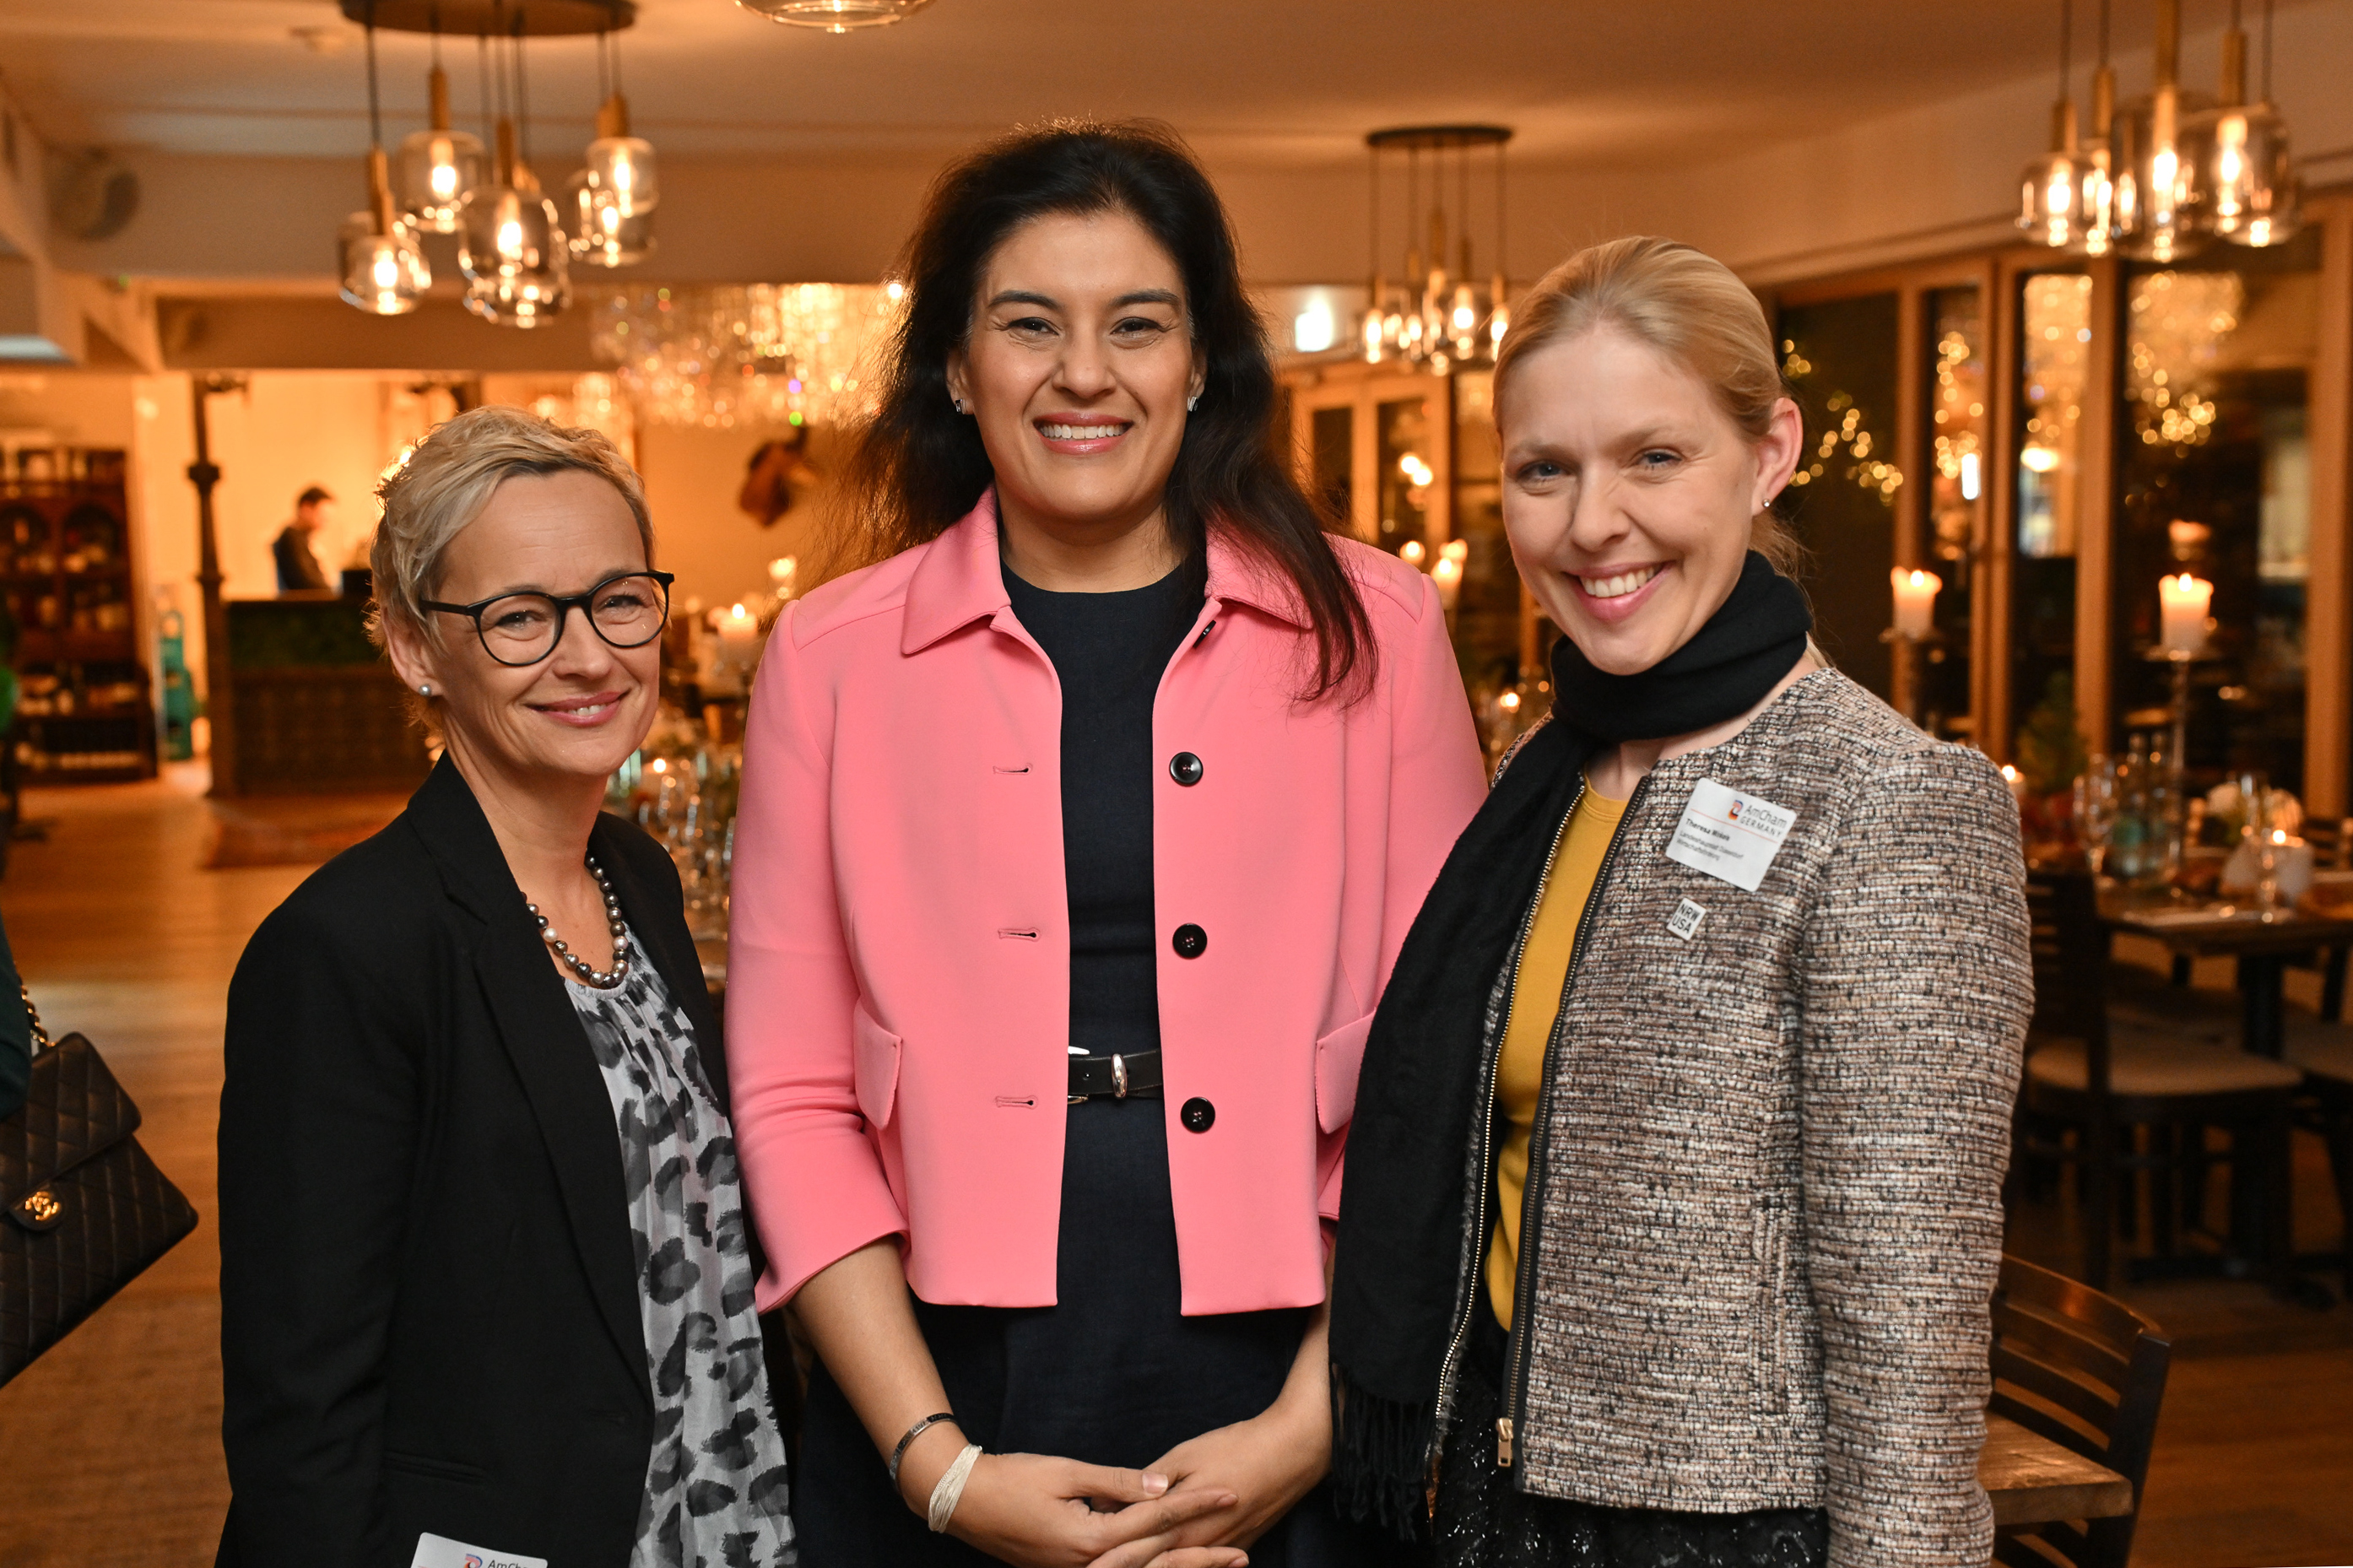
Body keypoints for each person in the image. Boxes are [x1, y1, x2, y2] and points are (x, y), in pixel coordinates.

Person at [726, 121, 1487, 1568]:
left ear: (1200, 364)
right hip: (945, 1364)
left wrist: (1310, 1426)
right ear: (957, 365)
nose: (1085, 372)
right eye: (1029, 324)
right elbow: (789, 1092)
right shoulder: (827, 658)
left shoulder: (1378, 629)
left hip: (1301, 1346)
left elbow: (1438, 1066)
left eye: (1136, 325)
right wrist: (936, 1466)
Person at [1329, 236, 2034, 1568]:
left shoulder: (1889, 801)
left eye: (1654, 457)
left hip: (1727, 1529)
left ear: (1769, 453)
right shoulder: (1553, 764)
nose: (1594, 522)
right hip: (1492, 1490)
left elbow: (1911, 1320)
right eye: (1547, 469)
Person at [217, 407, 794, 1566]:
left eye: (619, 599)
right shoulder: (343, 947)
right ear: (415, 646)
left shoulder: (638, 870)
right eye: (521, 617)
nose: (589, 656)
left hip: (724, 1505)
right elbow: (302, 1409)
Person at [272, 485, 334, 592]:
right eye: (322, 515)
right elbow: (305, 580)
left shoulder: (302, 538)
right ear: (306, 508)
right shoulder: (292, 539)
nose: (325, 521)